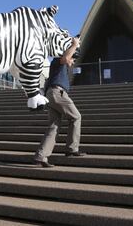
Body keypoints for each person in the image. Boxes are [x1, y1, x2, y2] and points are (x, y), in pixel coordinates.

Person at [33, 36, 86, 168]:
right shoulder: (58, 61)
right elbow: (66, 58)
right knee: (76, 117)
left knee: (54, 126)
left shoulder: (58, 67)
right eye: (73, 58)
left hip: (51, 95)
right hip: (57, 93)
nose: (73, 61)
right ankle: (72, 149)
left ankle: (41, 156)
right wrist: (74, 44)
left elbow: (67, 59)